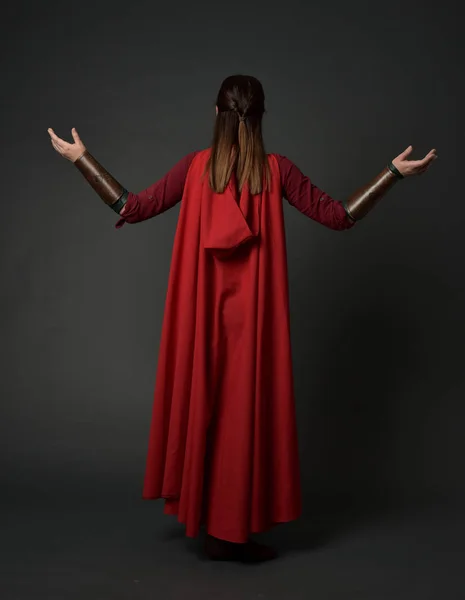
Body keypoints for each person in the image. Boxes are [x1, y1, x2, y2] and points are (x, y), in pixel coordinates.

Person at [48, 74, 437, 563]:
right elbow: (339, 216)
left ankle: (213, 527)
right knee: (242, 415)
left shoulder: (194, 170)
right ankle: (231, 531)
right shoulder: (278, 172)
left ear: (216, 116)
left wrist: (82, 159)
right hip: (252, 332)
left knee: (204, 407)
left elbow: (133, 205)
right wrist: (392, 174)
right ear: (260, 119)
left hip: (201, 325)